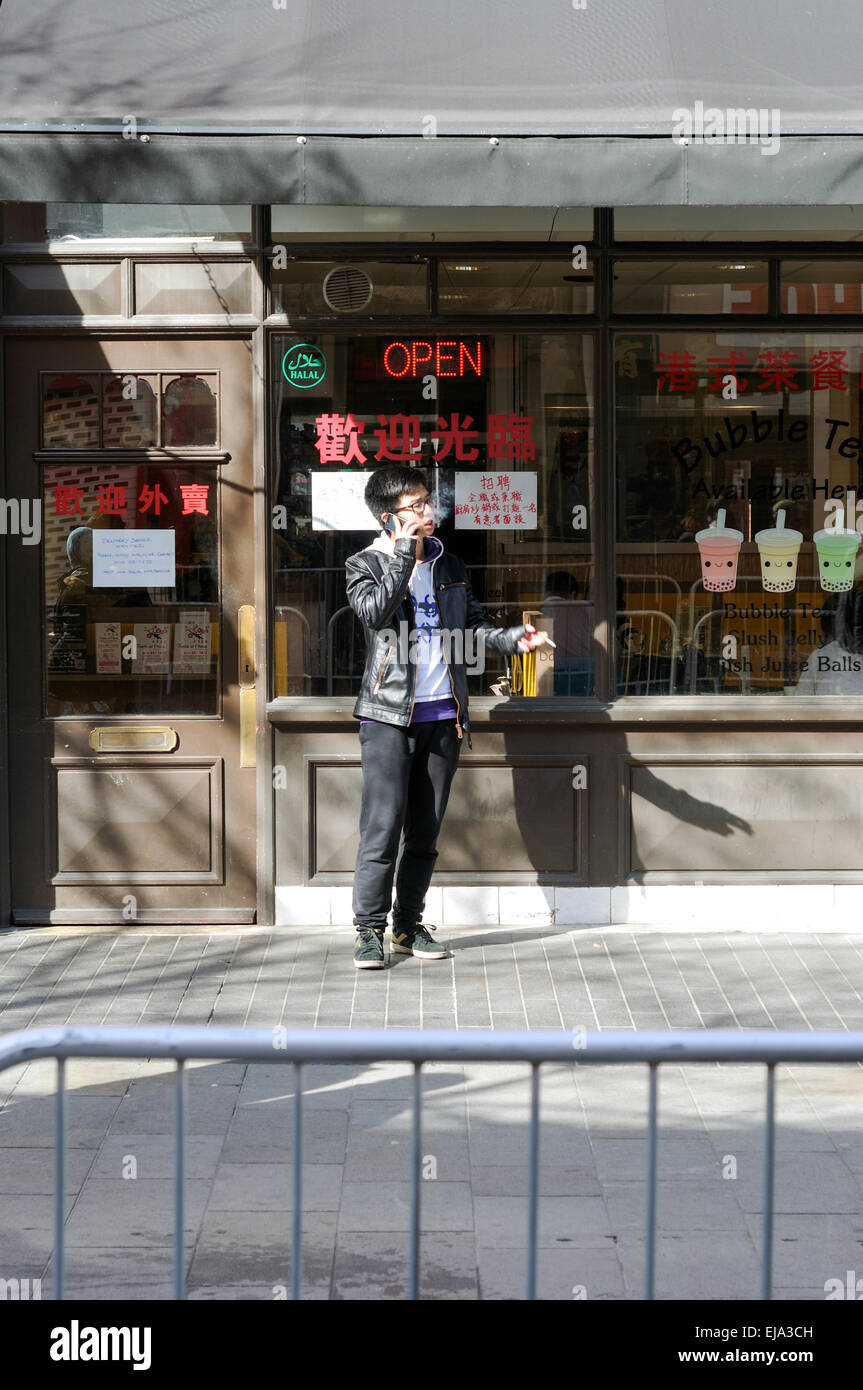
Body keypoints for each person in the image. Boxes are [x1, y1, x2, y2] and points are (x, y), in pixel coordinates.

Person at [345, 464, 550, 969]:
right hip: (389, 716)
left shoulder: (450, 564)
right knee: (382, 828)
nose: (427, 510)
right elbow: (374, 614)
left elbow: (474, 627)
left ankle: (407, 926)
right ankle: (367, 931)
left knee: (425, 832)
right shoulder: (364, 563)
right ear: (389, 517)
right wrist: (400, 555)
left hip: (444, 717)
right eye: (414, 505)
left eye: (426, 501)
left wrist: (511, 642)